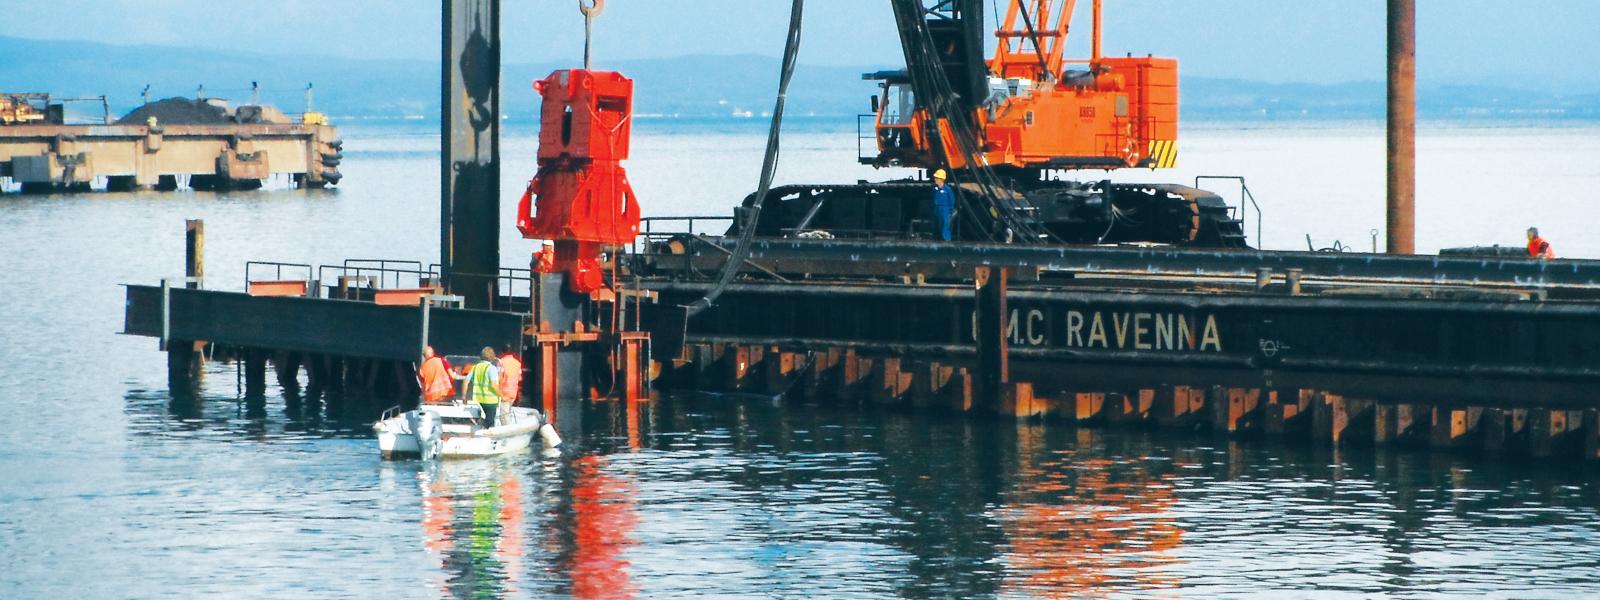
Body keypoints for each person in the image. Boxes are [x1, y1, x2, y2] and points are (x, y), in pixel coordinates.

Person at [466, 346, 503, 427]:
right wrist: (502, 396)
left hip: (478, 400)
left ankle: (480, 425)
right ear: (492, 357)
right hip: (491, 401)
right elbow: (494, 385)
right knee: (490, 423)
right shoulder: (492, 368)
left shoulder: (475, 367)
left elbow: (466, 381)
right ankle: (488, 436)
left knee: (481, 420)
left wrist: (464, 396)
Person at [931, 168, 956, 241]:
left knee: (945, 224)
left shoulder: (947, 189)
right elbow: (933, 198)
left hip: (945, 209)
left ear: (941, 179)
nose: (935, 179)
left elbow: (951, 199)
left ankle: (946, 239)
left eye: (937, 178)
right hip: (937, 208)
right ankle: (937, 238)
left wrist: (950, 209)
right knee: (937, 224)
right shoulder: (934, 189)